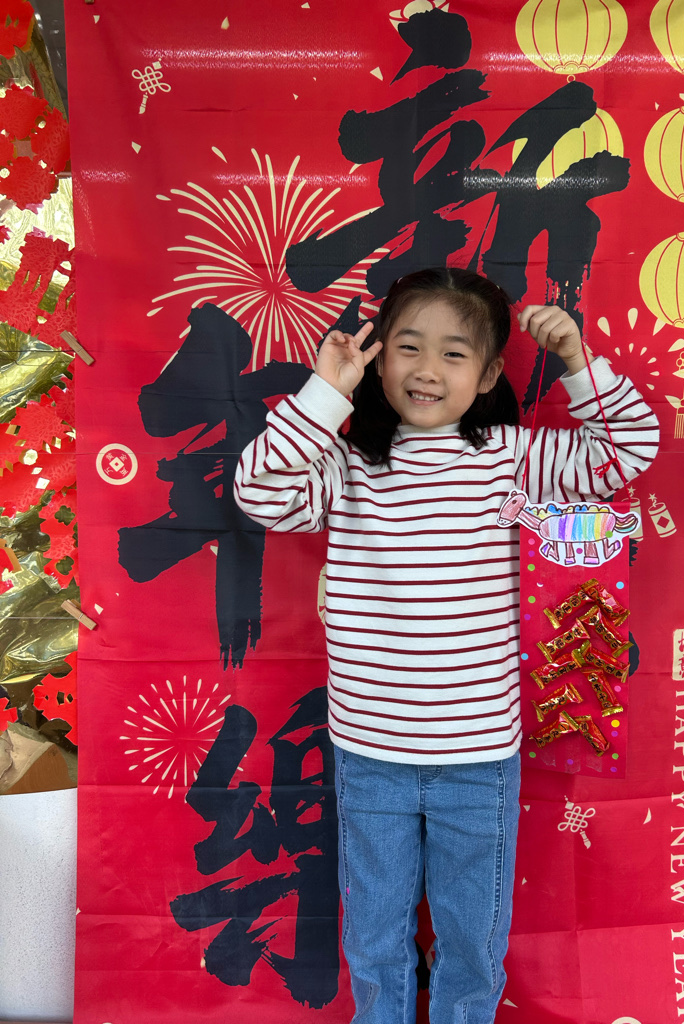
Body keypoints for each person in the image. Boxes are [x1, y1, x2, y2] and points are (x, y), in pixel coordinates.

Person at [234, 267, 659, 1024]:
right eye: (408, 347)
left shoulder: (513, 458)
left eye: (454, 353)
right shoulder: (347, 464)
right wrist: (326, 392)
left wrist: (576, 359)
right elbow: (259, 494)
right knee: (374, 941)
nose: (427, 369)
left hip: (480, 754)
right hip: (370, 752)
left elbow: (629, 449)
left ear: (490, 373)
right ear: (378, 359)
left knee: (472, 943)